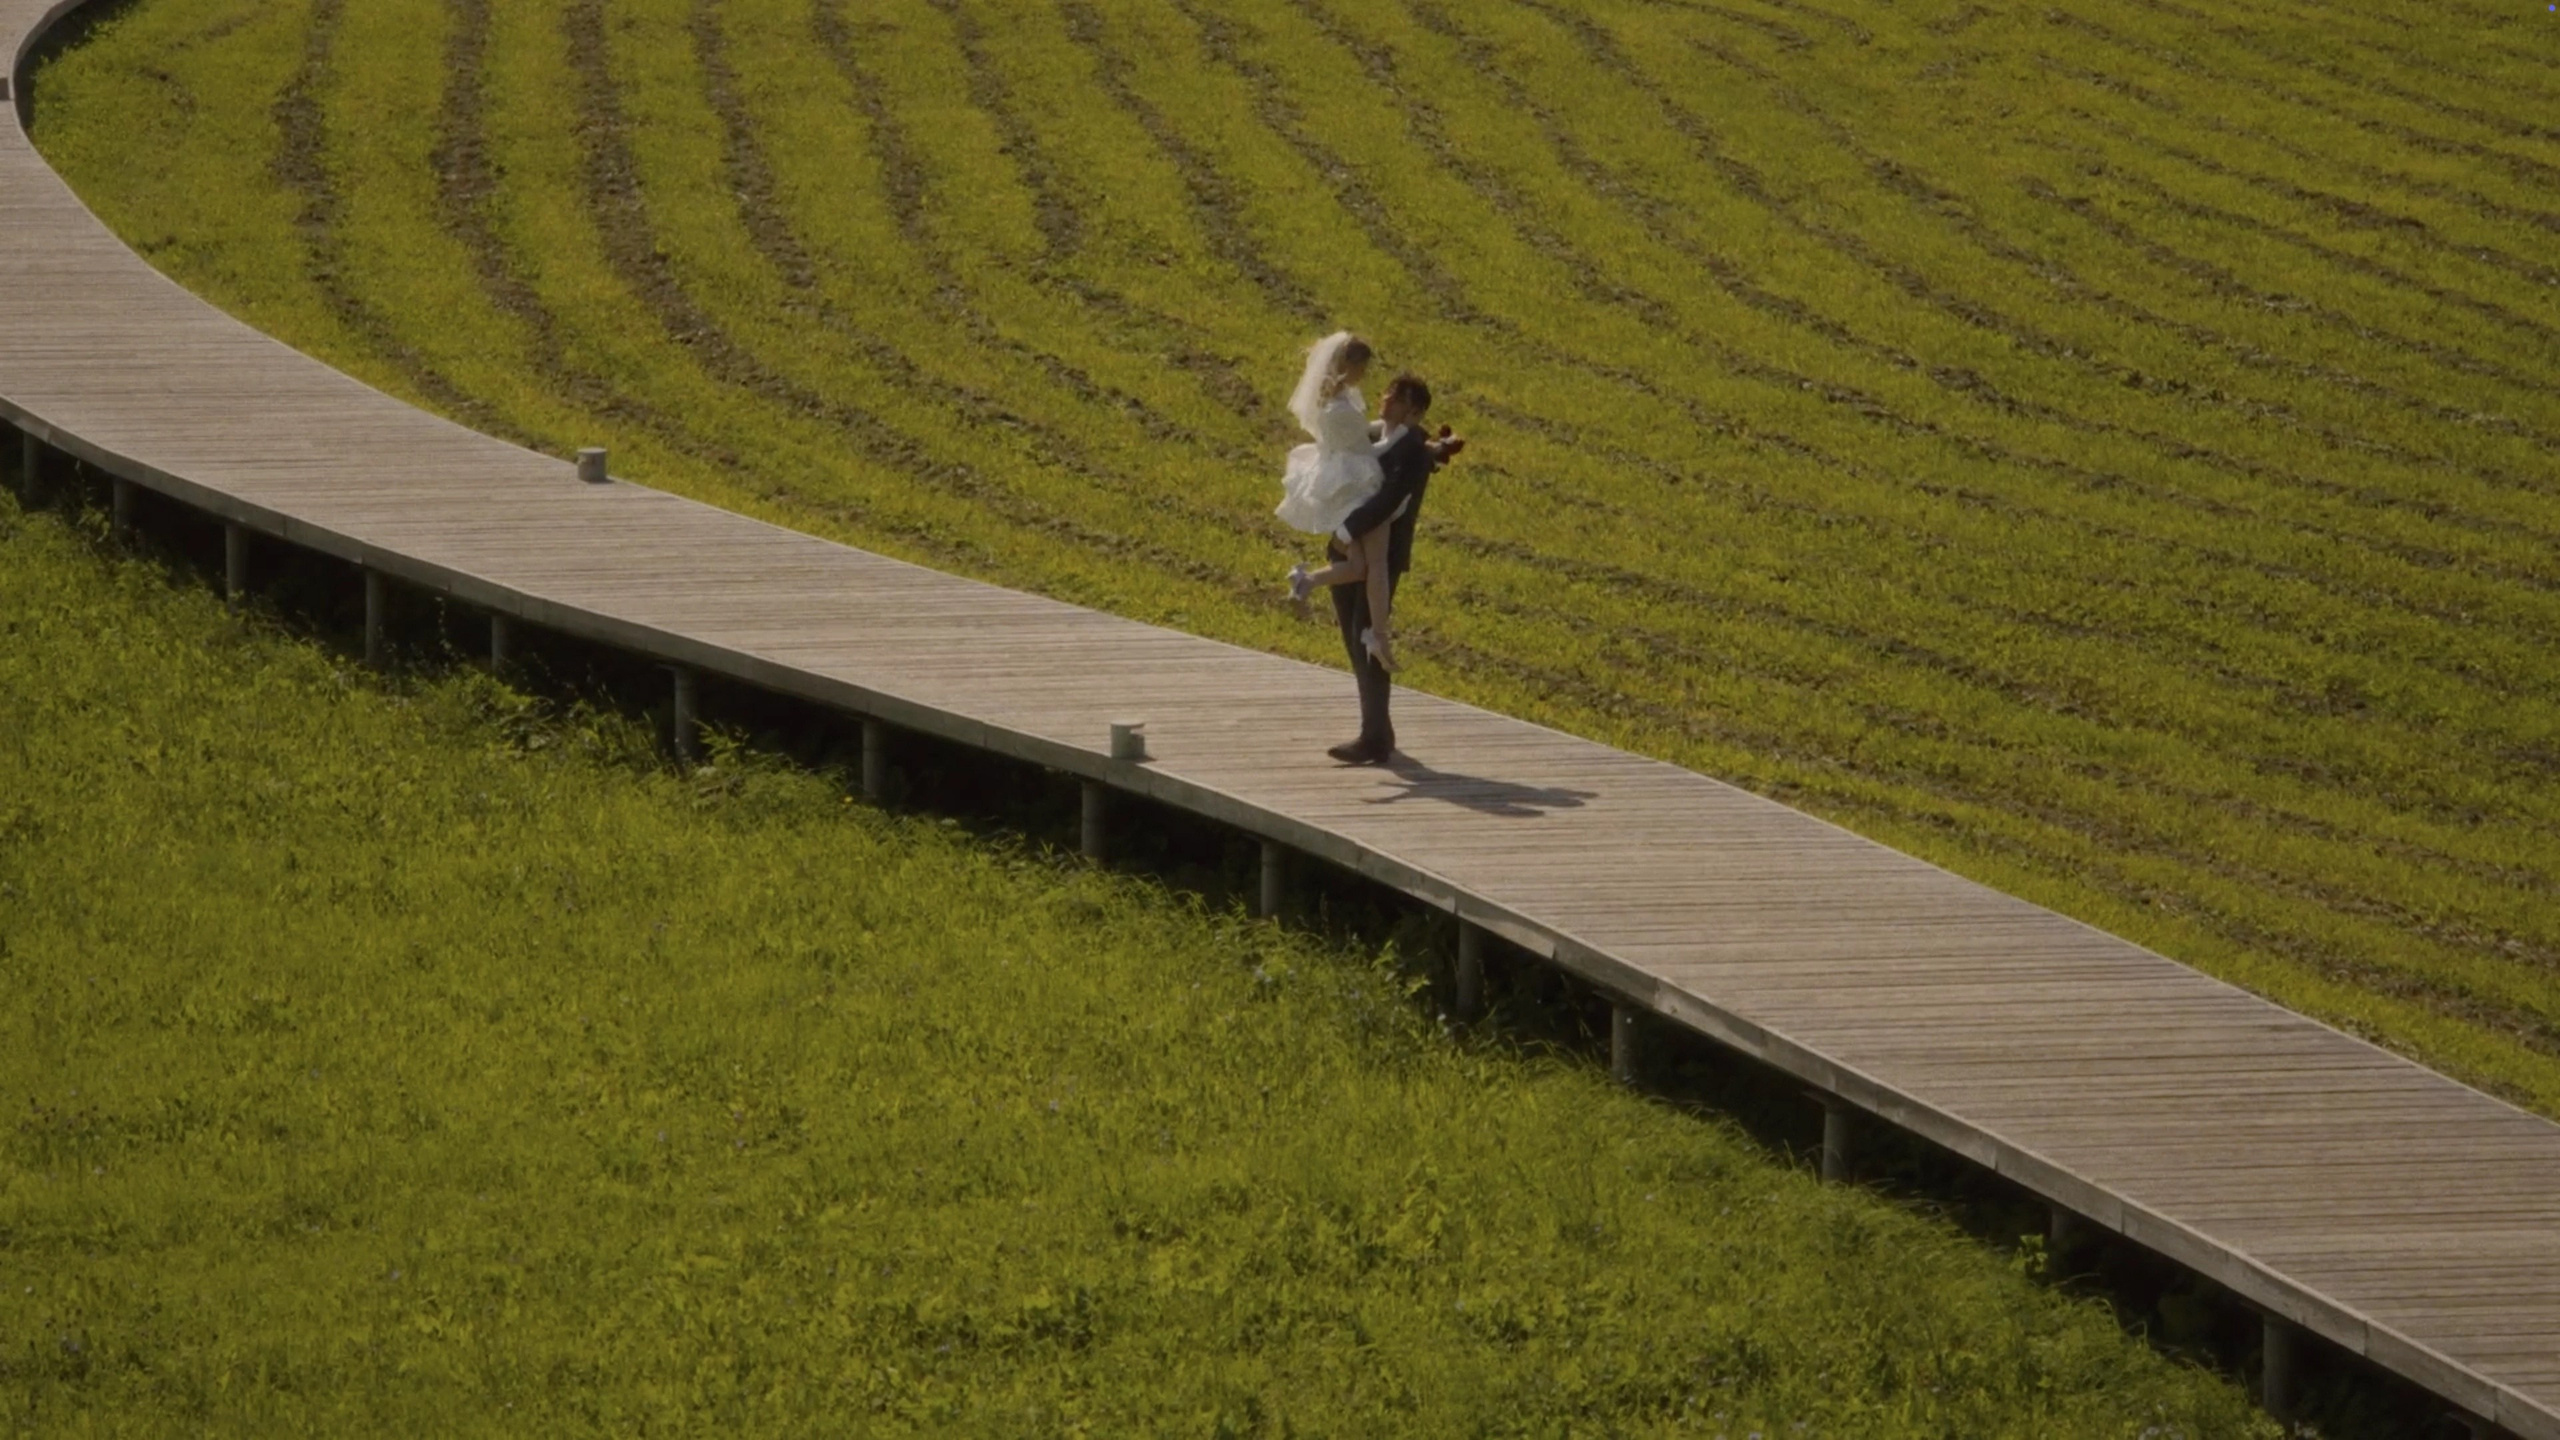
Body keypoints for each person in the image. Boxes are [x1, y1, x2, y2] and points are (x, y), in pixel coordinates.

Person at [1317, 372, 1460, 765]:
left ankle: (1375, 737)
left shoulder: (1413, 450)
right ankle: (1377, 730)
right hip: (1348, 547)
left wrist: (1345, 531)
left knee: (1366, 638)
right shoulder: (1384, 434)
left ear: (1413, 410)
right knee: (1353, 638)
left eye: (1395, 399)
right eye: (1387, 393)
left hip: (1377, 553)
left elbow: (1389, 499)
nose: (1385, 400)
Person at [1274, 332, 1396, 671]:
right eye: (1362, 368)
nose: (1365, 375)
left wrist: (1383, 426)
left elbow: (1359, 433)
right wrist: (1401, 434)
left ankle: (1306, 580)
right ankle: (1377, 633)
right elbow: (1365, 448)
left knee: (1359, 566)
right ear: (1350, 366)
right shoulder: (1340, 408)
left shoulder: (1334, 401)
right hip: (1352, 484)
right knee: (1367, 566)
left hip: (1343, 472)